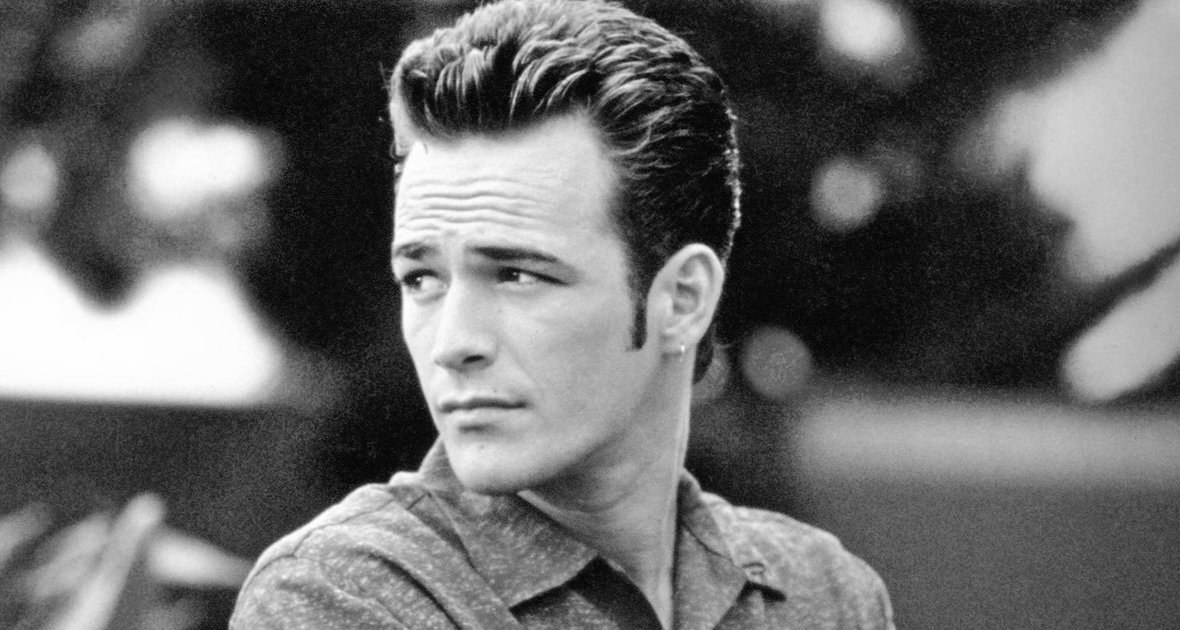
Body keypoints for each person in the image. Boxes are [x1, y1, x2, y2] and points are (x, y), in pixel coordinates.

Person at [230, 1, 894, 628]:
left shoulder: (824, 593)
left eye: (518, 275)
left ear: (683, 299)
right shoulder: (340, 594)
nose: (452, 343)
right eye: (422, 279)